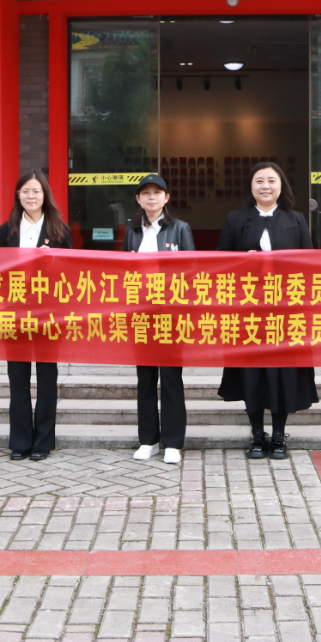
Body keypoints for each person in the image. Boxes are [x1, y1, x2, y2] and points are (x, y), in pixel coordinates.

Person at [217, 162, 318, 460]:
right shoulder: (236, 219)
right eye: (259, 181)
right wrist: (242, 261)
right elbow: (219, 262)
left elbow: (310, 264)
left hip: (286, 312)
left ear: (281, 186)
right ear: (251, 188)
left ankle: (279, 435)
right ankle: (257, 435)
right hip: (248, 311)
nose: (265, 186)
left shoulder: (296, 219)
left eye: (271, 180)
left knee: (283, 372)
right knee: (251, 373)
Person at [0, 170, 72, 461]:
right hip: (14, 313)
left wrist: (51, 261)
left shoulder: (59, 229)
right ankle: (19, 442)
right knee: (17, 379)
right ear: (18, 195)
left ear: (45, 195)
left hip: (47, 314)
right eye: (25, 191)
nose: (31, 196)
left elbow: (72, 273)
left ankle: (42, 442)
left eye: (36, 191)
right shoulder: (6, 230)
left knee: (46, 379)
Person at [123, 173, 195, 465]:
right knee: (145, 379)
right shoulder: (131, 230)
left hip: (171, 315)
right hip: (141, 314)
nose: (151, 197)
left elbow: (191, 271)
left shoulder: (180, 228)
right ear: (138, 199)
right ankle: (148, 440)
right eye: (146, 193)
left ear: (166, 198)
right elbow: (123, 271)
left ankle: (173, 442)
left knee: (171, 379)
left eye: (157, 192)